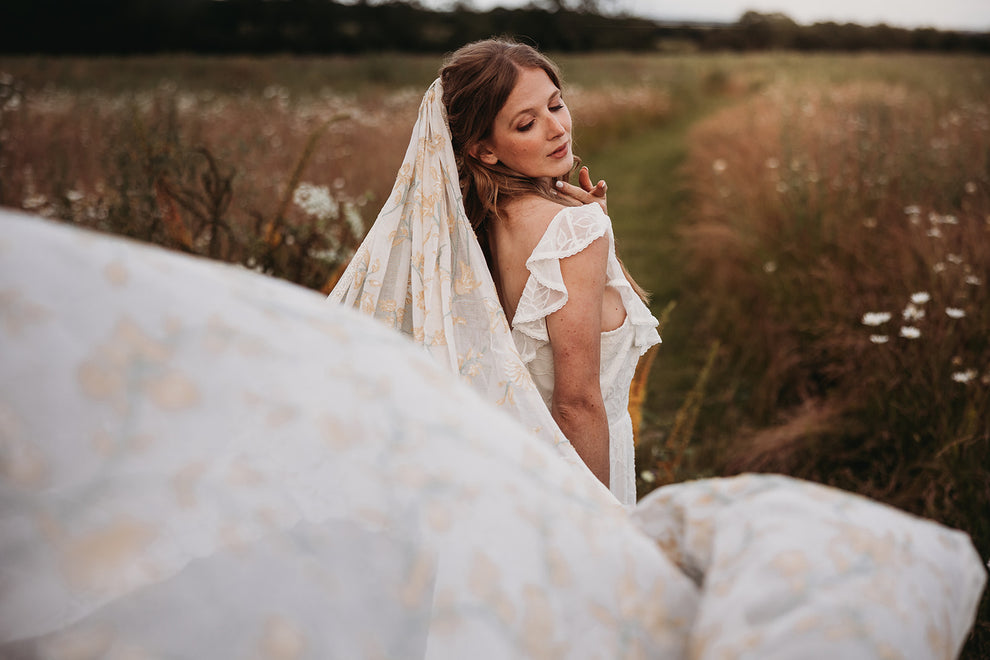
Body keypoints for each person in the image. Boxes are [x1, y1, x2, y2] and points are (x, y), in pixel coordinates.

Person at [331, 38, 661, 506]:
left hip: (511, 470)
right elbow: (577, 403)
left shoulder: (472, 223)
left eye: (556, 105)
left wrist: (598, 224)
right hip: (571, 475)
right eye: (526, 123)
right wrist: (598, 529)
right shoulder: (572, 226)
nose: (556, 128)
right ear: (485, 150)